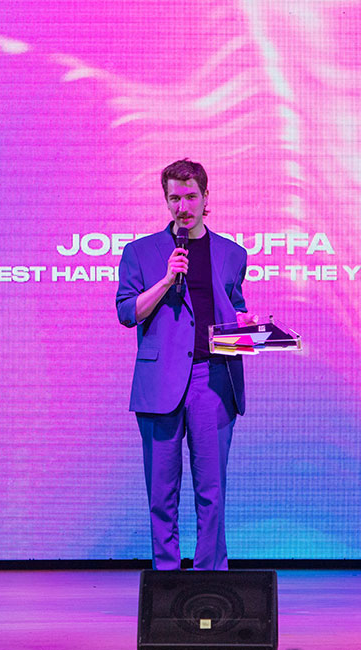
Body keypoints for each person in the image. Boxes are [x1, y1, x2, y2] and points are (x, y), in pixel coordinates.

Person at [116, 159, 256, 570]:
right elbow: (127, 312)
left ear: (205, 197)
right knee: (162, 492)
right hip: (160, 382)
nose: (183, 207)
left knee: (212, 490)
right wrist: (165, 280)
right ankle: (166, 579)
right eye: (174, 198)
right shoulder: (140, 252)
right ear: (166, 200)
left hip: (213, 379)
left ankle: (212, 577)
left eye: (191, 197)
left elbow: (234, 309)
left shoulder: (232, 253)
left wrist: (246, 324)